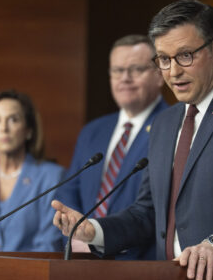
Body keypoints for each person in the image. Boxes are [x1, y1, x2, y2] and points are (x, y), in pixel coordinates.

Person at [52, 0, 213, 280]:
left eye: (185, 56)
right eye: (164, 59)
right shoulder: (165, 123)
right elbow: (148, 212)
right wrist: (93, 230)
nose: (173, 71)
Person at [54, 34, 167, 258]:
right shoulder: (93, 131)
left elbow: (154, 210)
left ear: (159, 75)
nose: (125, 78)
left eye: (136, 69)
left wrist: (99, 235)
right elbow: (69, 190)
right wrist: (77, 234)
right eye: (117, 70)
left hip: (140, 263)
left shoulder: (172, 126)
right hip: (83, 259)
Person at [0, 90, 64, 251]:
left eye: (13, 120)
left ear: (29, 130)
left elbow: (48, 245)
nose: (4, 128)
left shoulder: (52, 178)